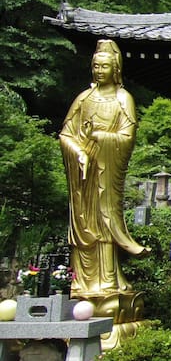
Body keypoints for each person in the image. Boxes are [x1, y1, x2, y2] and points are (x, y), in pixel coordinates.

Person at [60, 39, 149, 296]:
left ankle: (108, 281)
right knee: (82, 223)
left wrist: (99, 136)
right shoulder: (83, 98)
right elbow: (66, 134)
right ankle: (79, 282)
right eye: (96, 66)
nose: (99, 71)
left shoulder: (124, 99)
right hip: (83, 173)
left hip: (106, 170)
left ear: (115, 69)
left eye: (104, 67)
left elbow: (127, 137)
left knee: (105, 219)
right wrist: (78, 152)